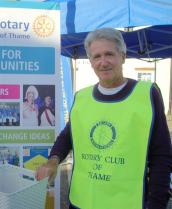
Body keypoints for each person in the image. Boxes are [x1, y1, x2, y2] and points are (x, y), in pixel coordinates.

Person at [36, 28, 172, 209]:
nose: (103, 62)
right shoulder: (81, 97)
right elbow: (68, 135)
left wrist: (157, 203)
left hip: (128, 203)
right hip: (82, 201)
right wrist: (53, 160)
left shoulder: (147, 94)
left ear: (122, 56)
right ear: (90, 61)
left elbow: (161, 155)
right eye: (96, 56)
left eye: (109, 54)